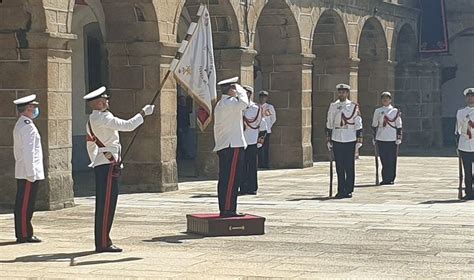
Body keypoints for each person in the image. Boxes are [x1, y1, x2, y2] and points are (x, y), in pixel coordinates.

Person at [84, 86, 155, 252]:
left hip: (105, 162)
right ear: (100, 103)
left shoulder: (92, 119)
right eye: (105, 99)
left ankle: (103, 240)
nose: (108, 101)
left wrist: (95, 159)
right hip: (108, 164)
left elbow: (90, 144)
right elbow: (128, 125)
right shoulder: (104, 117)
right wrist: (143, 113)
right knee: (107, 204)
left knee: (105, 203)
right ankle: (103, 242)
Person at [213, 77, 249, 217]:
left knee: (226, 178)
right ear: (231, 90)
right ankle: (228, 209)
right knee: (232, 179)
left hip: (227, 145)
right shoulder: (231, 103)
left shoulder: (222, 104)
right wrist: (240, 88)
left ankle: (226, 208)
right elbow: (244, 103)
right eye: (234, 88)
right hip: (232, 146)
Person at [12, 94, 44, 243]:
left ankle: (24, 232)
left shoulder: (22, 124)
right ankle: (24, 233)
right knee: (25, 204)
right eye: (33, 107)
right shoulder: (27, 127)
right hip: (28, 171)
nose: (35, 110)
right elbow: (29, 152)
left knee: (23, 203)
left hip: (24, 170)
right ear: (27, 109)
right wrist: (31, 173)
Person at [326, 84, 363, 199]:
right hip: (337, 137)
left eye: (343, 92)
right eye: (340, 92)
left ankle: (349, 189)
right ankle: (341, 190)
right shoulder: (333, 106)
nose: (341, 94)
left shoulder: (353, 106)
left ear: (347, 93)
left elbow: (358, 123)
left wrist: (359, 139)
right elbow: (329, 123)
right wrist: (328, 139)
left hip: (349, 138)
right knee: (339, 166)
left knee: (349, 166)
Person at [240, 85, 266, 196]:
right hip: (240, 140)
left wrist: (260, 141)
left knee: (251, 166)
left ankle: (252, 187)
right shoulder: (238, 107)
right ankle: (243, 187)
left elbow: (263, 126)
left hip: (251, 140)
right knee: (241, 166)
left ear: (249, 94)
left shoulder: (256, 108)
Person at [372, 92, 402, 185]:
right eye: (383, 98)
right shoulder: (378, 111)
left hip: (392, 137)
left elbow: (399, 125)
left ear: (390, 100)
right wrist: (374, 137)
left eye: (387, 98)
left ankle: (391, 177)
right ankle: (385, 178)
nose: (385, 100)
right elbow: (374, 125)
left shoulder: (395, 111)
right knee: (383, 159)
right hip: (381, 137)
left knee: (392, 159)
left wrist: (398, 137)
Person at [455, 87, 474, 200]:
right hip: (465, 144)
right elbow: (458, 129)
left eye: (472, 96)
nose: (471, 98)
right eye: (469, 96)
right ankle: (469, 192)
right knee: (467, 170)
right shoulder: (461, 112)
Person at [258, 90, 276, 168]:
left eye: (264, 97)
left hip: (266, 131)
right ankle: (260, 163)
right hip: (258, 131)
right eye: (261, 97)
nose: (262, 99)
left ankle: (266, 163)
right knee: (259, 147)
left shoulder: (269, 107)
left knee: (265, 147)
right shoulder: (257, 106)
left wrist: (268, 126)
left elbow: (273, 118)